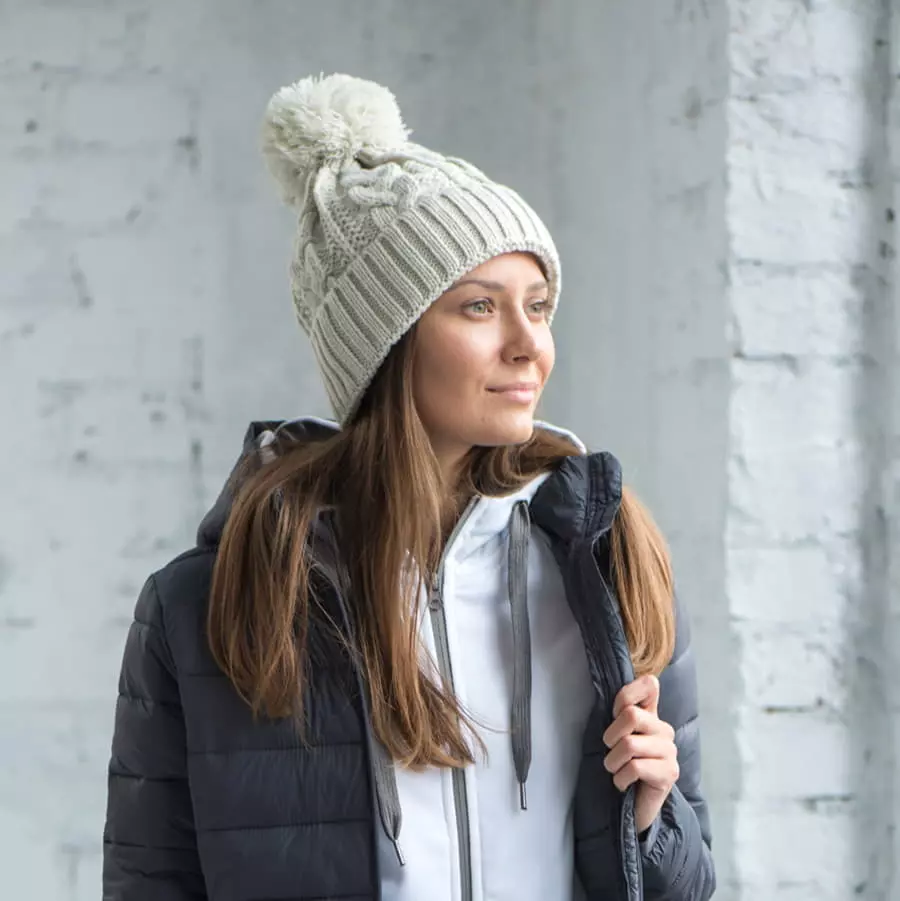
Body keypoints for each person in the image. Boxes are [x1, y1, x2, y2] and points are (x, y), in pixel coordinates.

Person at [102, 73, 715, 901]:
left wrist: (649, 822)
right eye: (479, 307)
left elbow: (691, 884)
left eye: (538, 306)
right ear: (385, 344)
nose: (528, 344)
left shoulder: (608, 569)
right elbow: (149, 883)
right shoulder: (209, 606)